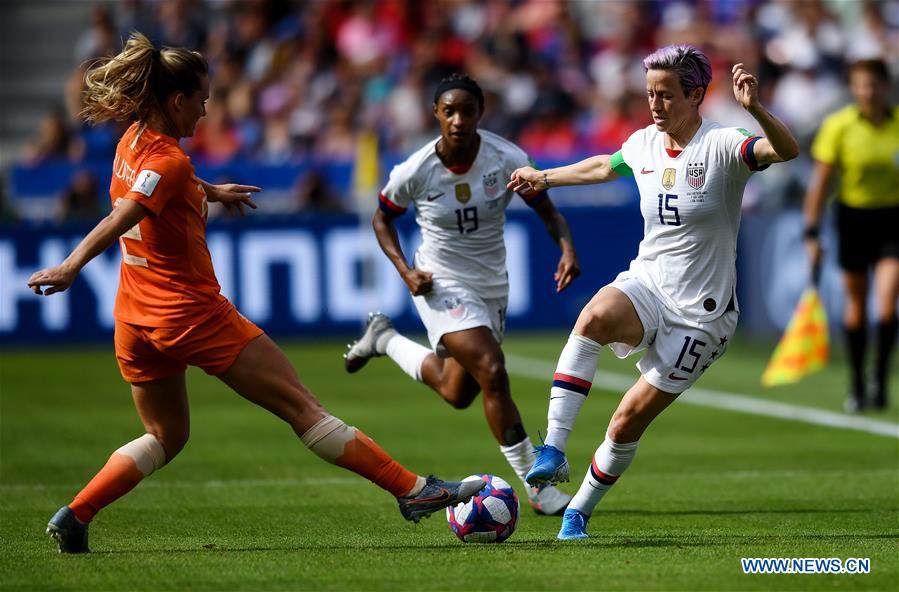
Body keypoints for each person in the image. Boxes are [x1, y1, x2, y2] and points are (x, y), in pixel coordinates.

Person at [27, 33, 483, 554]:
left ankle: (77, 513)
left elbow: (153, 188)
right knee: (303, 408)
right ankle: (413, 491)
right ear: (177, 101)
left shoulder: (133, 141)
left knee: (166, 435)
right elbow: (126, 212)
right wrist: (70, 265)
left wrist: (210, 191)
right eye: (201, 99)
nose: (205, 110)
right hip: (191, 314)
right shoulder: (169, 164)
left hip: (134, 320)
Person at [507, 45, 799, 540]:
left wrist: (755, 109)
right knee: (593, 318)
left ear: (695, 95)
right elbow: (604, 167)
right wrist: (544, 176)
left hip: (702, 317)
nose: (655, 104)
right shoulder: (644, 143)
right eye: (650, 94)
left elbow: (785, 151)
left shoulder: (726, 144)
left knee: (625, 422)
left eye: (666, 95)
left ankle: (578, 510)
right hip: (650, 281)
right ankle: (553, 450)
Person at [343, 74, 581, 516]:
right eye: (448, 111)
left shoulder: (506, 157)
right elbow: (381, 219)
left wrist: (566, 248)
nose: (457, 120)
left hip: (491, 283)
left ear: (479, 113)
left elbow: (547, 209)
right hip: (440, 280)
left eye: (466, 111)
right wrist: (405, 271)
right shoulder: (414, 171)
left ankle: (383, 339)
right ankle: (537, 485)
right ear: (435, 114)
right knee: (492, 368)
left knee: (458, 391)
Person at [802, 58, 898, 413]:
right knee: (857, 306)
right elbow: (821, 183)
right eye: (861, 85)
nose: (868, 91)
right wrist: (811, 231)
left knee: (887, 303)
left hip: (892, 219)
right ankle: (857, 382)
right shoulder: (839, 126)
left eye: (874, 84)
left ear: (885, 86)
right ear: (853, 88)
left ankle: (881, 378)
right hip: (853, 219)